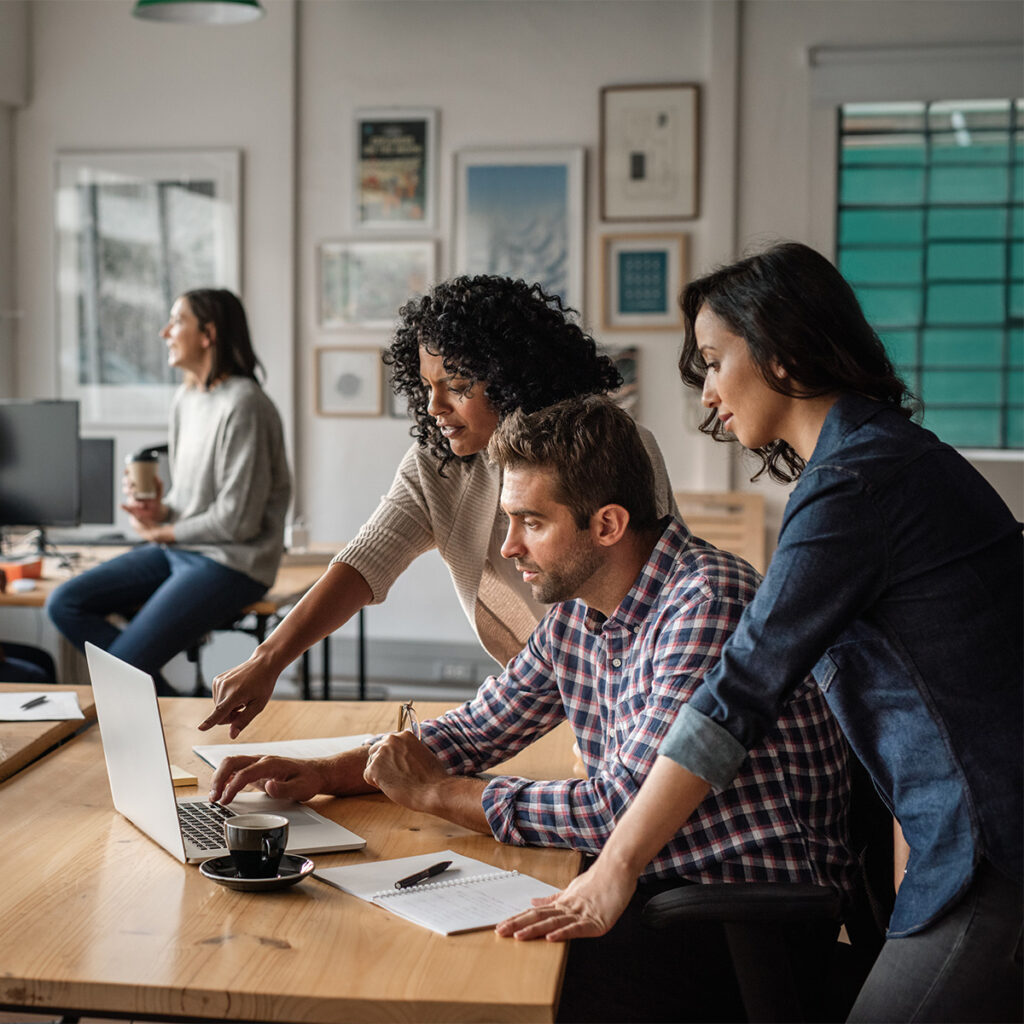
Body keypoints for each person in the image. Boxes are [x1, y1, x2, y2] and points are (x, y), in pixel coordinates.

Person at [498, 243, 1023, 1024]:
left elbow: (737, 693)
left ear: (782, 349)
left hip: (996, 844)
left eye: (714, 361)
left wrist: (616, 866)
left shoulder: (854, 484)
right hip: (970, 836)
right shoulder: (875, 463)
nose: (709, 395)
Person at [210, 394, 855, 1022]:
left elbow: (613, 810)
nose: (510, 546)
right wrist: (331, 771)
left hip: (733, 922)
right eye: (509, 520)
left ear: (607, 525)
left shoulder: (705, 602)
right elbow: (476, 729)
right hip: (651, 889)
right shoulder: (581, 610)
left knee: (451, 978)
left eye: (531, 523)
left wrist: (439, 796)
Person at [199, 276, 676, 737]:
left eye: (456, 384)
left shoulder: (609, 450)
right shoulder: (439, 464)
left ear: (513, 377)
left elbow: (650, 600)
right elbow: (365, 562)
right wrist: (268, 661)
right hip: (536, 694)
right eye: (427, 386)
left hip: (632, 690)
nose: (434, 406)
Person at [47, 289, 291, 696]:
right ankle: (168, 704)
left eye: (177, 321)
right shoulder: (186, 399)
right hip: (182, 552)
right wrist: (160, 511)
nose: (165, 332)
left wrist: (162, 532)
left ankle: (153, 704)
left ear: (208, 333)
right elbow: (191, 505)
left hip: (233, 564)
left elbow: (238, 520)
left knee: (123, 667)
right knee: (64, 603)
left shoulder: (246, 404)